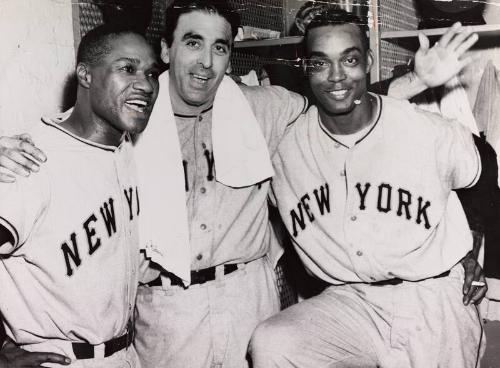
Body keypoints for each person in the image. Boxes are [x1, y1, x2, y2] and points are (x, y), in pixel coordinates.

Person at [0, 1, 486, 367]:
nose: (206, 62)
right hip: (165, 312)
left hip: (247, 299)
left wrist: (415, 83)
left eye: (220, 47)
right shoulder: (125, 122)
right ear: (167, 49)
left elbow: (340, 106)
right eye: (193, 42)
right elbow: (70, 142)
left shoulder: (264, 109)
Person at [250, 7, 485, 367]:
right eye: (320, 63)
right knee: (273, 343)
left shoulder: (426, 129)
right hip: (350, 302)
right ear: (304, 68)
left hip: (430, 296)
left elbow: (483, 171)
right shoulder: (287, 147)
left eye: (350, 59)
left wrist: (471, 246)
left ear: (369, 61)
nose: (336, 76)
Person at [0, 23, 159, 368]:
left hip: (125, 354)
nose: (146, 84)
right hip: (62, 359)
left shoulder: (127, 148)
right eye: (127, 68)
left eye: (151, 73)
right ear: (85, 75)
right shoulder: (30, 160)